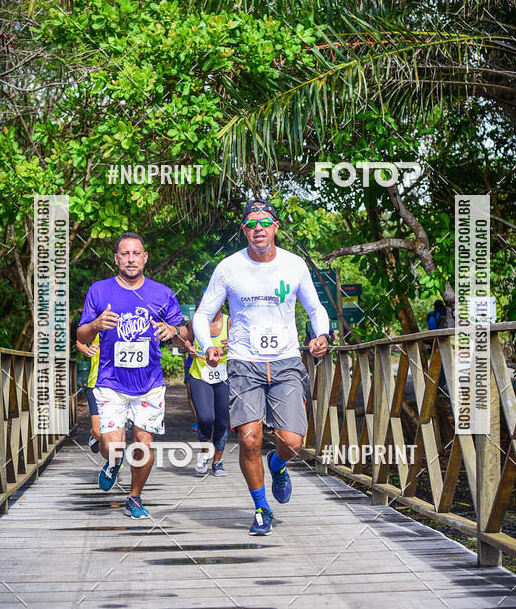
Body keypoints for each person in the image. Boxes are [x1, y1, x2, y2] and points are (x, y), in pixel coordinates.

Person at [192, 198, 330, 535]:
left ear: (275, 227)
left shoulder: (294, 265)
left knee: (293, 442)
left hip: (284, 362)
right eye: (252, 224)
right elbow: (202, 315)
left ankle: (278, 465)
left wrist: (321, 335)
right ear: (244, 230)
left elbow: (315, 308)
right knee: (250, 439)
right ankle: (261, 508)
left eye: (265, 223)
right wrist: (208, 346)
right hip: (244, 363)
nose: (258, 229)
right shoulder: (228, 267)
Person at [77, 232, 187, 519]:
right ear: (116, 259)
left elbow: (183, 333)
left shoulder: (162, 293)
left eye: (136, 253)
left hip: (149, 384)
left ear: (145, 257)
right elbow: (81, 333)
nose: (130, 259)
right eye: (124, 254)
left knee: (142, 444)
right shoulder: (99, 291)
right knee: (111, 446)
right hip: (111, 382)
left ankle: (135, 496)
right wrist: (96, 325)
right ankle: (113, 464)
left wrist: (173, 331)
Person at [184, 307, 231, 476]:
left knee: (221, 421)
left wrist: (232, 344)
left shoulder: (229, 321)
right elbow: (185, 342)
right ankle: (205, 452)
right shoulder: (195, 321)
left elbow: (244, 343)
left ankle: (217, 462)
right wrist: (190, 348)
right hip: (200, 376)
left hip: (223, 377)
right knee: (205, 417)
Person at [75, 336, 101, 453]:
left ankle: (116, 460)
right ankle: (94, 434)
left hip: (121, 384)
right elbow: (80, 341)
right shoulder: (99, 321)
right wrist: (87, 350)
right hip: (96, 382)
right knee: (98, 432)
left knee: (116, 430)